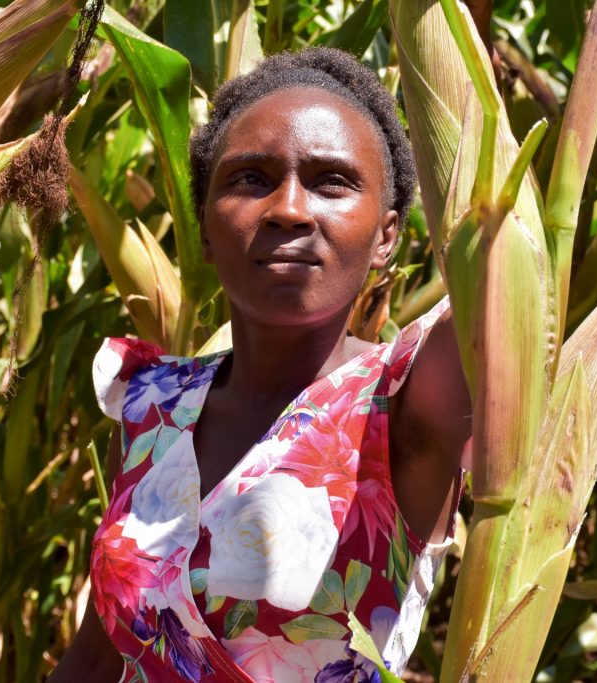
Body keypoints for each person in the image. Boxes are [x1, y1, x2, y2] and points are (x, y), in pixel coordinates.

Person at [51, 47, 471, 682]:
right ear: (204, 226)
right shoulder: (152, 408)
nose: (290, 209)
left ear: (387, 235)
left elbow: (500, 277)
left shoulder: (407, 400)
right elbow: (96, 656)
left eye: (332, 181)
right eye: (250, 179)